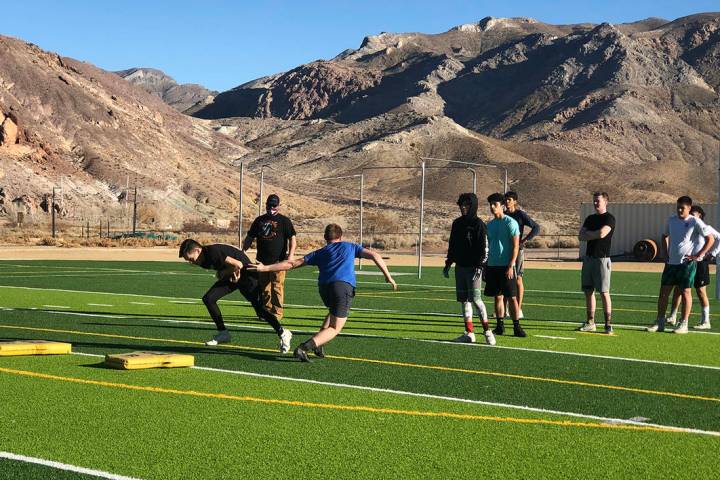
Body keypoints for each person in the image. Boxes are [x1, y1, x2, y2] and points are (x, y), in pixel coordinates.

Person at [249, 224, 397, 362]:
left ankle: (319, 344)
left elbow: (292, 263)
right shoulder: (350, 246)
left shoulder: (320, 252)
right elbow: (375, 255)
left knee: (333, 311)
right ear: (340, 237)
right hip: (342, 287)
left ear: (325, 238)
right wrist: (388, 276)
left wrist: (265, 268)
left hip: (324, 289)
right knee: (335, 328)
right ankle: (304, 348)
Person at [179, 239, 292, 352]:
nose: (191, 262)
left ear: (198, 250)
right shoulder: (201, 260)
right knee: (209, 299)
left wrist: (223, 273)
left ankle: (283, 333)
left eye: (191, 258)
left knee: (261, 311)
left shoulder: (212, 252)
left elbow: (238, 264)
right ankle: (223, 333)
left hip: (247, 275)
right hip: (233, 276)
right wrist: (223, 274)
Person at [647, 196, 714, 334]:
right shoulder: (671, 220)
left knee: (686, 292)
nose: (679, 210)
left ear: (689, 209)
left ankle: (683, 323)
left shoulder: (695, 221)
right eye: (677, 207)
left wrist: (698, 255)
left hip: (686, 264)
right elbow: (664, 235)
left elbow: (710, 239)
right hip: (671, 264)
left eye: (682, 208)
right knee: (663, 293)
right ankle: (660, 322)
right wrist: (665, 253)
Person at [443, 193, 493, 345]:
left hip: (474, 268)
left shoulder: (479, 225)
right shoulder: (457, 223)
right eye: (461, 205)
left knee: (476, 299)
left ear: (473, 206)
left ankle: (487, 331)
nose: (463, 207)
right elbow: (453, 245)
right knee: (464, 301)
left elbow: (484, 248)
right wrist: (448, 262)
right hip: (460, 267)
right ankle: (469, 333)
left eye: (467, 205)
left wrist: (480, 266)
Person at [242, 194, 297, 327]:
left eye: (274, 205)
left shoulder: (285, 221)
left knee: (277, 287)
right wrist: (243, 250)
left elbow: (292, 239)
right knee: (265, 287)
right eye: (269, 205)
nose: (271, 208)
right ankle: (267, 311)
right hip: (262, 261)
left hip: (279, 261)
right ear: (266, 205)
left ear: (278, 206)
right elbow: (250, 236)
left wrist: (290, 256)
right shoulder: (259, 220)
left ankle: (277, 312)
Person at [665, 205, 719, 330]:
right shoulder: (687, 225)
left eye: (693, 213)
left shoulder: (707, 228)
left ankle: (706, 320)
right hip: (687, 263)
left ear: (699, 215)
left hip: (700, 263)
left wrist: (711, 254)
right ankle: (673, 316)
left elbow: (718, 239)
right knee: (679, 289)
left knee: (700, 291)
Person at [485, 193, 526, 337]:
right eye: (490, 204)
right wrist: (486, 265)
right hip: (492, 266)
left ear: (502, 206)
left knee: (512, 297)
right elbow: (488, 246)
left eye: (494, 204)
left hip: (506, 266)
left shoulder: (511, 223)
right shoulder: (489, 225)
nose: (492, 207)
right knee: (497, 296)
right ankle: (500, 326)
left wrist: (511, 265)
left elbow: (515, 246)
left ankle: (517, 327)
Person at [578, 192, 615, 334]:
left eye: (598, 201)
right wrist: (594, 234)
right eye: (594, 201)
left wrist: (590, 235)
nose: (595, 203)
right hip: (588, 258)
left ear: (606, 201)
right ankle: (590, 322)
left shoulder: (609, 218)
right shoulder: (590, 218)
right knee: (588, 291)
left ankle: (608, 324)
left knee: (604, 292)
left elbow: (602, 234)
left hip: (602, 259)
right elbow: (581, 236)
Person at [503, 191, 541, 318]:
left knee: (518, 278)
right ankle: (504, 310)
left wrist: (524, 240)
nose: (507, 202)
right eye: (505, 200)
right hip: (504, 250)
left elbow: (536, 227)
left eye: (509, 199)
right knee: (504, 278)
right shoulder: (502, 215)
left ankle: (518, 309)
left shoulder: (520, 214)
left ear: (515, 201)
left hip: (517, 250)